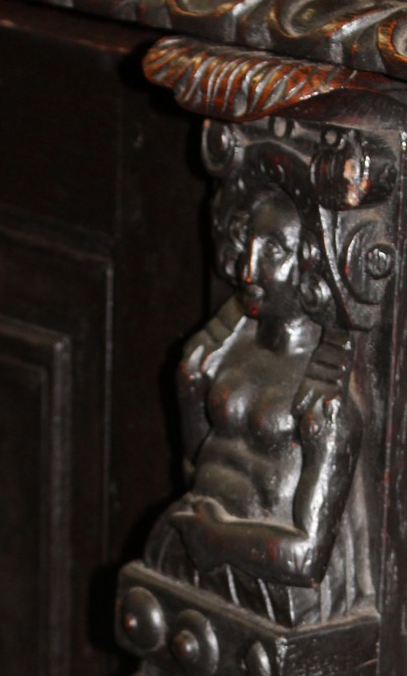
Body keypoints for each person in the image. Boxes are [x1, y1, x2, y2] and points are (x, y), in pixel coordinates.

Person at [151, 174, 367, 627]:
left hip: (278, 599)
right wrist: (189, 390)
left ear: (312, 264)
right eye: (247, 243)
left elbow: (308, 559)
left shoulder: (323, 392)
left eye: (274, 251)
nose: (248, 271)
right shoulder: (224, 347)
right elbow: (196, 467)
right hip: (193, 562)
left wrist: (217, 536)